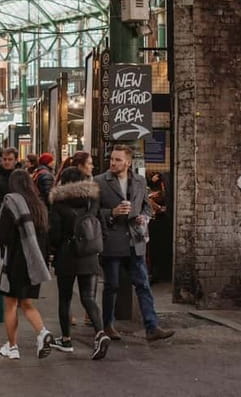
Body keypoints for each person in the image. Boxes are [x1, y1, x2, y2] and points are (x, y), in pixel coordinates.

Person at [95, 144, 174, 342]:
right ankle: (108, 325)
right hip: (112, 241)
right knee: (111, 285)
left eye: (118, 160)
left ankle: (152, 327)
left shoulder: (139, 181)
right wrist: (111, 213)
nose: (113, 163)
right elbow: (93, 212)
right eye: (112, 159)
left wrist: (144, 218)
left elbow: (147, 208)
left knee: (143, 284)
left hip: (135, 240)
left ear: (128, 162)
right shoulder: (99, 182)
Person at [48, 166, 110, 360]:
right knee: (88, 297)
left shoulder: (58, 203)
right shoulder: (93, 200)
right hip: (90, 253)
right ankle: (100, 333)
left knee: (65, 298)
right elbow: (101, 224)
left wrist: (52, 252)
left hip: (67, 254)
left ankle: (66, 340)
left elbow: (54, 234)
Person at [0, 169, 53, 360]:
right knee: (27, 302)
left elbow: (3, 235)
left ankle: (12, 347)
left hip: (17, 260)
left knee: (11, 304)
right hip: (36, 261)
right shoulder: (39, 205)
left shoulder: (11, 201)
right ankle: (43, 332)